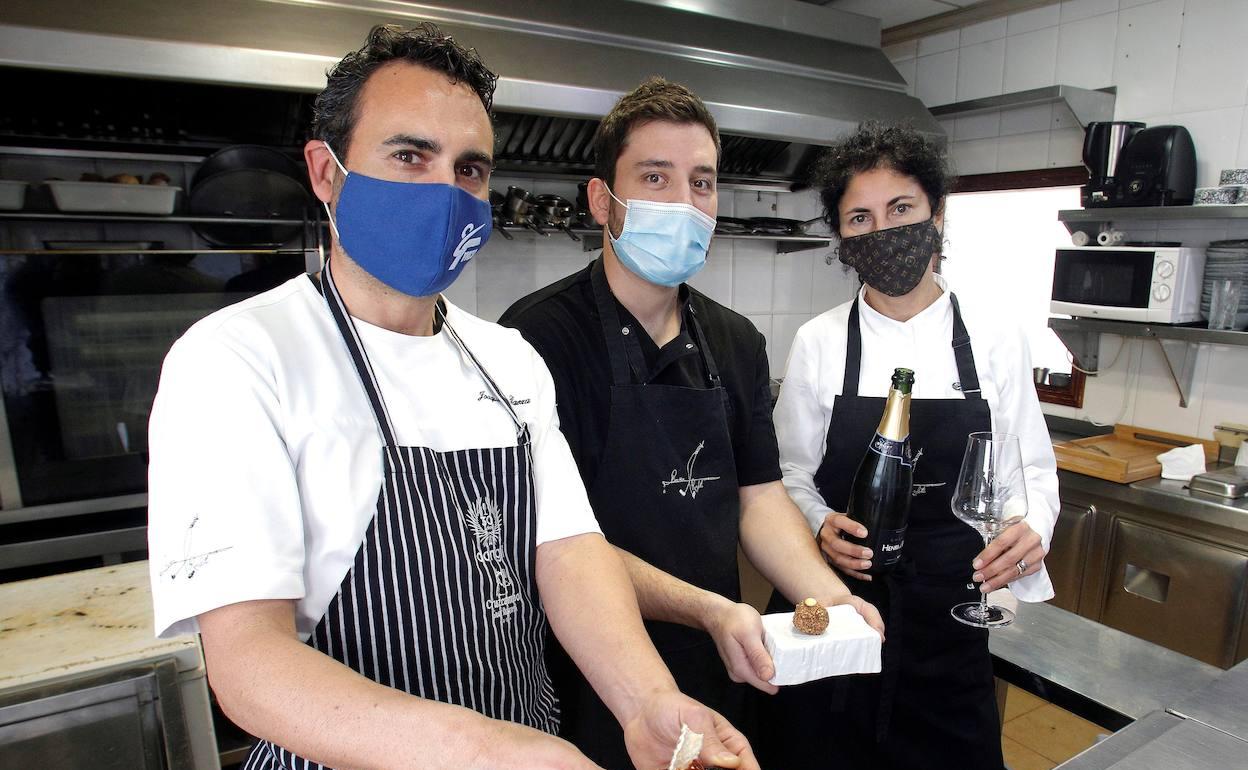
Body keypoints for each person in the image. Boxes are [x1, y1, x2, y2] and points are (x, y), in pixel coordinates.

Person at [146, 25, 759, 770]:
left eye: (469, 169)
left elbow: (567, 552)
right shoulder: (239, 359)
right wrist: (493, 753)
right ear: (325, 171)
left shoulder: (507, 360)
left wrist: (647, 700)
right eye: (409, 156)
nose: (445, 191)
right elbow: (247, 664)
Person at [499, 77, 884, 769]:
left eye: (701, 183)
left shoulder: (735, 342)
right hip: (585, 667)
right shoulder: (535, 339)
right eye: (655, 177)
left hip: (721, 654)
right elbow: (551, 542)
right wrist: (708, 608)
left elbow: (759, 497)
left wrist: (828, 595)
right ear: (601, 200)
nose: (684, 204)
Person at [759, 122, 1059, 769]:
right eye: (860, 218)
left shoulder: (995, 338)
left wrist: (1030, 528)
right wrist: (817, 523)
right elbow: (787, 474)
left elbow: (1027, 471)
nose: (883, 232)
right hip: (835, 608)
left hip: (949, 620)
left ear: (937, 213)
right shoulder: (821, 341)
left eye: (900, 210)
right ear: (842, 237)